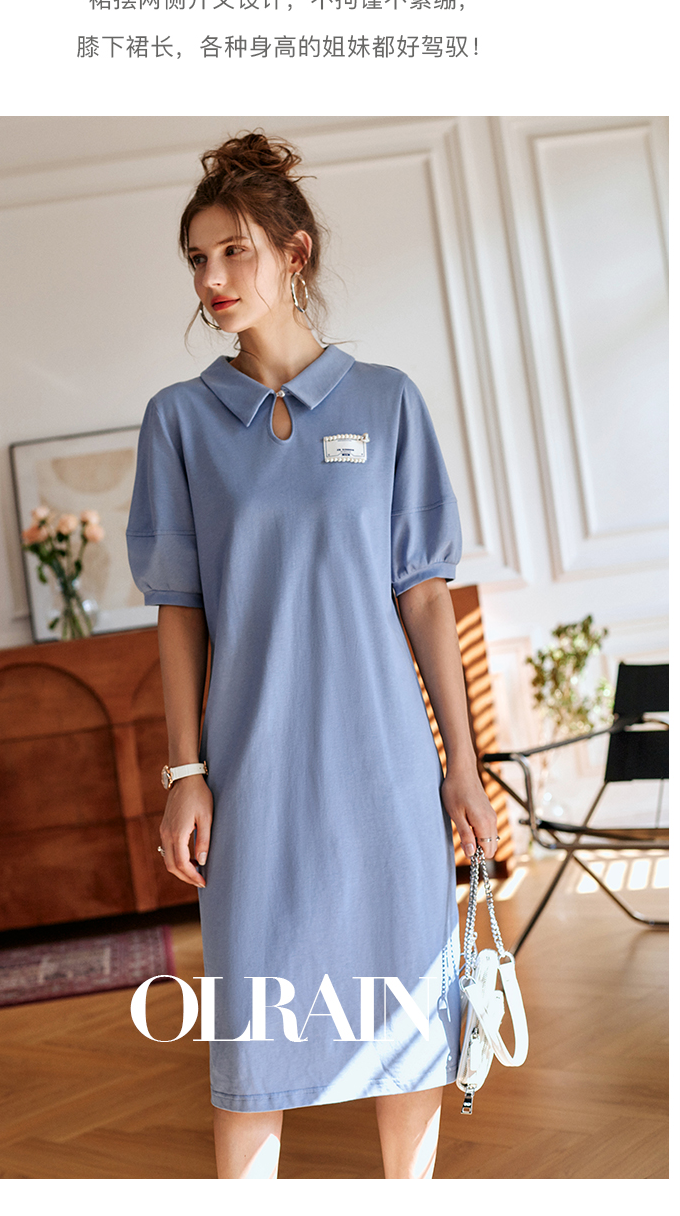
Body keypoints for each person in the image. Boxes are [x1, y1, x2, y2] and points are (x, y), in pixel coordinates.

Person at [126, 131, 499, 1180]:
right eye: (197, 259)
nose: (211, 278)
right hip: (254, 778)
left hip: (386, 772)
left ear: (294, 254)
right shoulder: (180, 422)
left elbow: (424, 595)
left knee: (407, 1024)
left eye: (233, 251)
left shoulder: (386, 401)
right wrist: (185, 771)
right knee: (255, 1041)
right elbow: (179, 609)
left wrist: (462, 767)